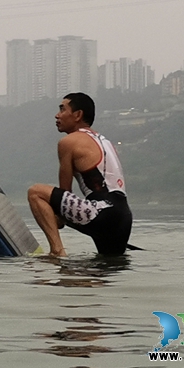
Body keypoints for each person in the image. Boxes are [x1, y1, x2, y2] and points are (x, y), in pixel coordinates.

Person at [27, 92, 132, 257]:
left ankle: (57, 251)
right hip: (123, 218)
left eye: (62, 109)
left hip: (101, 213)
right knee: (104, 274)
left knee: (35, 192)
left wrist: (54, 219)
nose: (57, 115)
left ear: (77, 115)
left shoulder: (69, 142)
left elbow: (65, 194)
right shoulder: (105, 141)